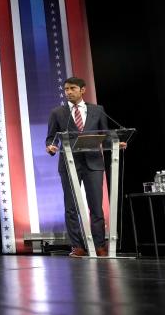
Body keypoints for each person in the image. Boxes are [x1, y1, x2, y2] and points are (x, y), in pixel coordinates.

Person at [45, 77, 119, 257]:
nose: (68, 92)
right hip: (69, 163)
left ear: (82, 90)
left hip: (93, 162)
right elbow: (51, 137)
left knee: (96, 206)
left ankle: (99, 246)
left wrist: (116, 142)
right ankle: (77, 246)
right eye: (66, 89)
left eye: (72, 88)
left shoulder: (97, 110)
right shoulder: (58, 112)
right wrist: (51, 147)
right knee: (71, 206)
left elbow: (105, 133)